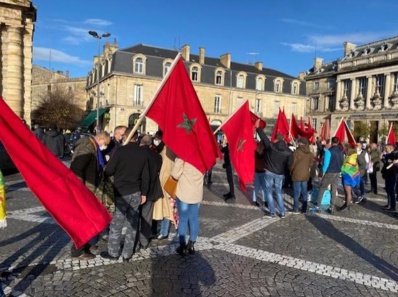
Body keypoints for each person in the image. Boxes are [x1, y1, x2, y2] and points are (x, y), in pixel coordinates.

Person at [101, 129, 150, 262]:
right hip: (136, 192)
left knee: (117, 223)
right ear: (136, 138)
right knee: (132, 224)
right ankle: (127, 253)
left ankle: (113, 252)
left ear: (125, 137)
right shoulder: (142, 154)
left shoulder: (120, 151)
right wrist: (144, 193)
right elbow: (146, 176)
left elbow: (109, 170)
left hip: (121, 193)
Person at [69, 131, 111, 259]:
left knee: (89, 219)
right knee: (83, 221)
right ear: (100, 139)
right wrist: (79, 189)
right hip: (82, 190)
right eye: (105, 144)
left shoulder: (92, 146)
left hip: (88, 189)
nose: (105, 147)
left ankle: (86, 245)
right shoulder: (87, 146)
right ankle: (78, 250)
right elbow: (76, 168)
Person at [255, 120, 292, 218]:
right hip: (280, 173)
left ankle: (272, 212)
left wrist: (258, 127)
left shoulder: (271, 147)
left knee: (269, 191)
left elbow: (264, 138)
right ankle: (282, 212)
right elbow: (289, 164)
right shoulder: (288, 152)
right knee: (279, 192)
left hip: (269, 172)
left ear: (276, 140)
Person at [171, 158, 204, 255]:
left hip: (184, 193)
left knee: (183, 219)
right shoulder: (203, 157)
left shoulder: (183, 157)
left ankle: (182, 246)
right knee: (194, 219)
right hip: (197, 193)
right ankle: (191, 244)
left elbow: (175, 175)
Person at [138, 134, 163, 250]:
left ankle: (134, 241)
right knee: (147, 217)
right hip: (151, 190)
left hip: (137, 189)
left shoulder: (137, 154)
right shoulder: (157, 156)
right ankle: (143, 241)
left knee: (134, 216)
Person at [152, 130, 177, 240]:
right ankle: (160, 230)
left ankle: (163, 231)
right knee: (163, 207)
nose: (156, 140)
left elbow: (166, 169)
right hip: (164, 182)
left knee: (166, 208)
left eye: (157, 138)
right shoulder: (165, 149)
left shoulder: (167, 150)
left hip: (166, 183)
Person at [312, 136, 344, 214]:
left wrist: (323, 173)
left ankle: (318, 206)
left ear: (331, 142)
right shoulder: (341, 151)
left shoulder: (328, 151)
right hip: (337, 172)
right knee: (333, 189)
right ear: (338, 142)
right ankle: (331, 207)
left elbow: (326, 164)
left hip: (329, 172)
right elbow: (342, 162)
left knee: (322, 188)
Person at [290, 138, 314, 213]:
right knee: (304, 192)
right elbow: (311, 164)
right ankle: (304, 208)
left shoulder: (296, 152)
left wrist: (291, 170)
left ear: (301, 143)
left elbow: (292, 164)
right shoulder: (310, 154)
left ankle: (296, 208)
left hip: (296, 174)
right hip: (305, 175)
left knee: (296, 192)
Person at [339, 145, 361, 212]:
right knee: (347, 192)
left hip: (348, 177)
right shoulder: (351, 156)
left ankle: (347, 205)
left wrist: (341, 168)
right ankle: (346, 204)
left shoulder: (351, 158)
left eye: (346, 149)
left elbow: (347, 168)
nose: (345, 150)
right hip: (347, 176)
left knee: (348, 192)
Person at [381, 144, 397, 212]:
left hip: (392, 175)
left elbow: (395, 158)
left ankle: (392, 206)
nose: (385, 149)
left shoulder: (394, 154)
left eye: (386, 148)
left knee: (391, 191)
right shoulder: (387, 155)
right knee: (387, 190)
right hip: (387, 174)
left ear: (391, 148)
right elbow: (386, 163)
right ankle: (389, 204)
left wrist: (396, 161)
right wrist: (382, 158)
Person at [220, 136, 235, 202]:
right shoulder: (227, 147)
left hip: (230, 166)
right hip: (228, 165)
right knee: (229, 180)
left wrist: (226, 165)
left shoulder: (231, 148)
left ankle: (232, 194)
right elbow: (221, 150)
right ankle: (231, 192)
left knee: (230, 180)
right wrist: (222, 143)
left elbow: (229, 158)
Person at [252, 141, 266, 206]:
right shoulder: (265, 153)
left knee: (256, 187)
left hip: (256, 171)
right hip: (263, 171)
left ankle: (254, 200)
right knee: (264, 188)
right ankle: (264, 201)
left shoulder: (255, 152)